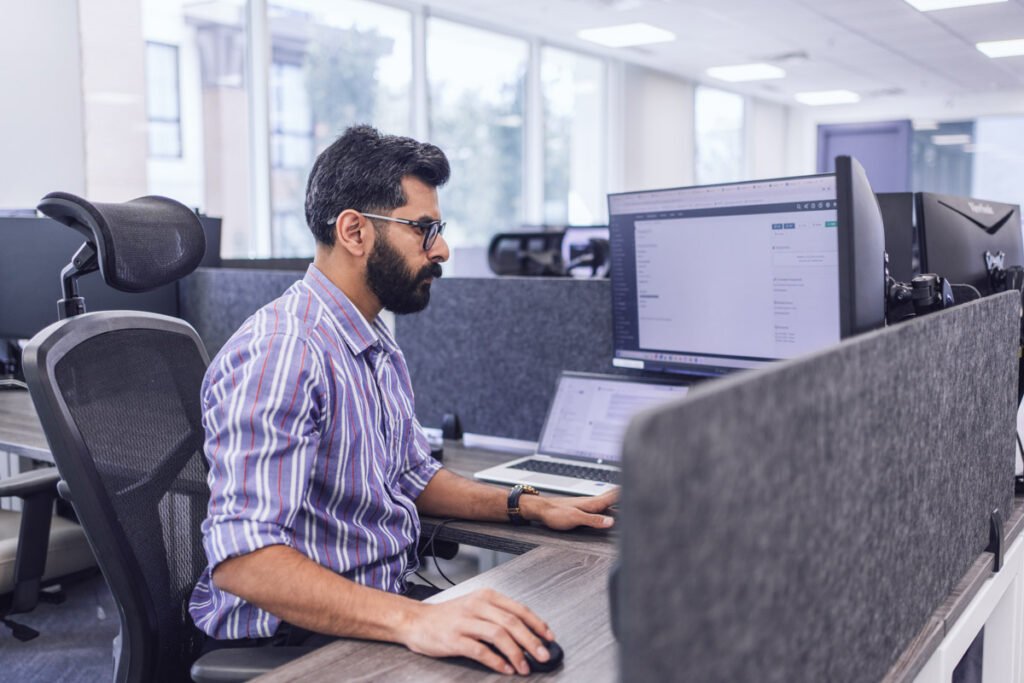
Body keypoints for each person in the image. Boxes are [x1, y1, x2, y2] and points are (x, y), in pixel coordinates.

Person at [188, 125, 618, 676]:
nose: (440, 249)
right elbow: (243, 562)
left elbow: (413, 477)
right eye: (423, 229)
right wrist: (417, 620)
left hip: (373, 603)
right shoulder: (285, 354)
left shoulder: (369, 338)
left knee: (548, 640)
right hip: (291, 638)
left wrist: (524, 503)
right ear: (354, 231)